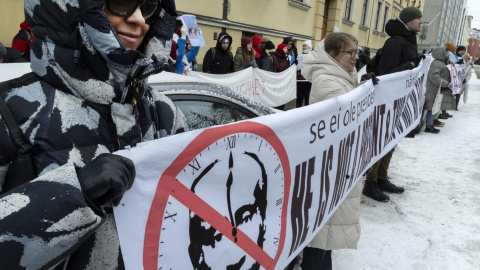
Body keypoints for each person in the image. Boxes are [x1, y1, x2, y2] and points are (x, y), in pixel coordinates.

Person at [0, 0, 187, 269]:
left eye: (147, 6)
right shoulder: (10, 112)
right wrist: (74, 194)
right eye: (121, 2)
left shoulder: (165, 113)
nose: (139, 19)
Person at [300, 32, 378, 270]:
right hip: (329, 170)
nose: (357, 57)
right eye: (350, 52)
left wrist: (364, 87)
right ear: (332, 55)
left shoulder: (344, 76)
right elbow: (347, 116)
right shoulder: (327, 81)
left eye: (358, 51)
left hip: (339, 165)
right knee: (321, 233)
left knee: (328, 233)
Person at [363, 6, 425, 202]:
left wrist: (417, 63)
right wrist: (411, 66)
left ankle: (382, 177)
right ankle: (370, 182)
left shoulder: (408, 41)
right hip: (387, 100)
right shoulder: (395, 42)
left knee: (392, 138)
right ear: (407, 22)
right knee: (381, 139)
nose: (421, 23)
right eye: (418, 19)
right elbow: (387, 72)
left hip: (399, 99)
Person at [424, 46, 453, 133]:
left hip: (439, 89)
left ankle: (432, 122)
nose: (448, 55)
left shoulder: (442, 63)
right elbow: (434, 76)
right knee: (431, 107)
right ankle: (428, 126)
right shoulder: (437, 63)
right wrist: (446, 83)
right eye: (447, 53)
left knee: (436, 106)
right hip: (434, 89)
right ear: (441, 54)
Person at [295, 40, 313, 107]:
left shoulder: (312, 55)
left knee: (307, 97)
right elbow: (296, 65)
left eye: (305, 46)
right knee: (299, 97)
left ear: (309, 47)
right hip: (300, 79)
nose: (303, 47)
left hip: (308, 80)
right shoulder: (300, 56)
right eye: (303, 46)